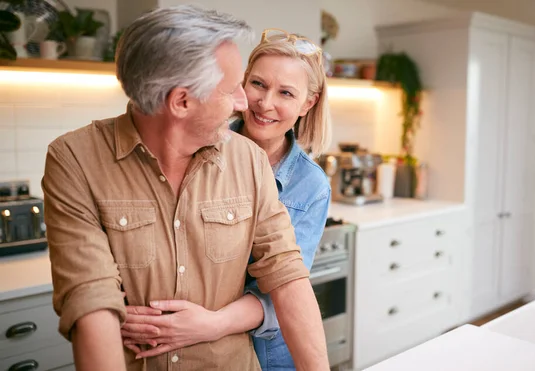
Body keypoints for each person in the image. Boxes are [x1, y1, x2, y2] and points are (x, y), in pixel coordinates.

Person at [42, 5, 328, 371]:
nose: (245, 103)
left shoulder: (248, 160)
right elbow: (91, 298)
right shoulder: (75, 159)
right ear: (181, 101)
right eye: (233, 89)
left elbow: (287, 273)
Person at [120, 28, 332, 370]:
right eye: (258, 84)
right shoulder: (193, 146)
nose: (265, 103)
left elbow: (284, 288)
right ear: (240, 83)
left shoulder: (311, 185)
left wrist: (210, 324)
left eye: (286, 93)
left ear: (308, 103)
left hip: (268, 354)